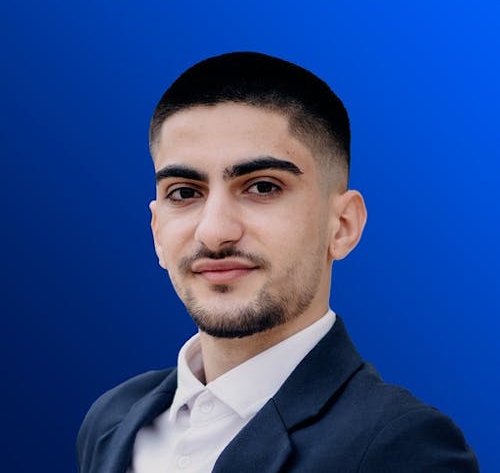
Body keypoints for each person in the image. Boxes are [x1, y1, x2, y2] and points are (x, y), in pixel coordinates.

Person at [76, 52, 479, 472]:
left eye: (263, 187)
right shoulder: (113, 420)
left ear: (342, 225)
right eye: (184, 193)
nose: (213, 231)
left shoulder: (404, 447)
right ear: (158, 231)